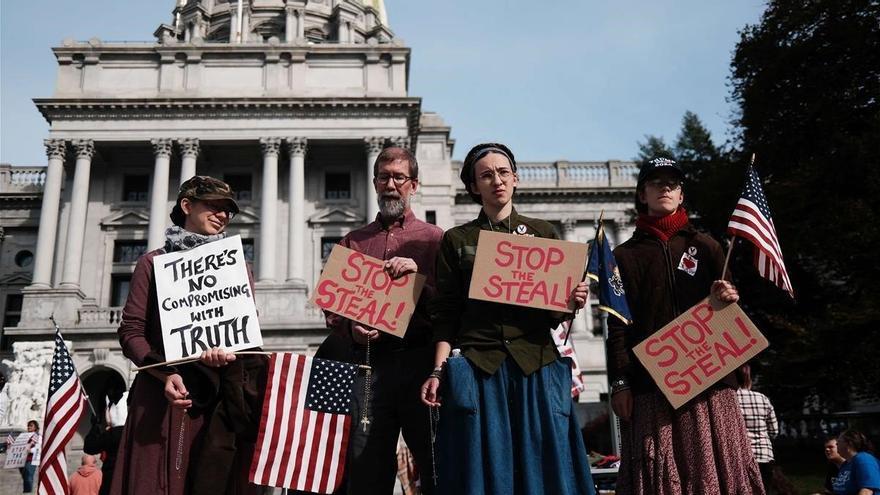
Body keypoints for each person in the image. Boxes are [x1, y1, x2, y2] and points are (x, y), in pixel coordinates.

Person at [421, 142, 594, 495]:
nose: (496, 180)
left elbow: (555, 316)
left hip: (536, 364)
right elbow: (446, 315)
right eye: (486, 175)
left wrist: (573, 300)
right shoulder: (457, 240)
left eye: (502, 172)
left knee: (546, 470)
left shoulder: (545, 234)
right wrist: (438, 371)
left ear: (515, 178)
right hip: (481, 366)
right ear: (473, 187)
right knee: (486, 472)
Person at [606, 157, 765, 494]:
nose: (665, 187)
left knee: (713, 470)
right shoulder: (621, 256)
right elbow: (617, 325)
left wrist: (729, 297)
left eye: (672, 183)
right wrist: (620, 382)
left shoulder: (708, 247)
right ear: (642, 194)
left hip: (709, 382)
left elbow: (727, 307)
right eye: (655, 182)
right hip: (651, 384)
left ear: (681, 195)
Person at [112, 176, 267, 495]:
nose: (223, 215)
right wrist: (164, 373)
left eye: (228, 211)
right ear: (187, 206)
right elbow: (130, 331)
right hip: (162, 397)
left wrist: (229, 354)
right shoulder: (152, 263)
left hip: (217, 400)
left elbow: (244, 335)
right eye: (214, 206)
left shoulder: (238, 269)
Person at [322, 146, 443, 494]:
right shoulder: (353, 242)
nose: (391, 184)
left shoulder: (434, 240)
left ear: (414, 185)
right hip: (369, 367)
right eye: (384, 177)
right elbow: (333, 309)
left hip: (421, 364)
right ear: (375, 182)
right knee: (366, 465)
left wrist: (420, 278)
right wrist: (352, 329)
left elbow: (451, 308)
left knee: (435, 461)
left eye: (399, 177)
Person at [737, 363, 779, 493]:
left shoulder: (729, 400)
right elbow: (774, 431)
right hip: (764, 455)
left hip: (739, 456)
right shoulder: (762, 398)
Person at [832, 429, 880, 495]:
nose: (836, 444)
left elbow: (866, 491)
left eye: (839, 442)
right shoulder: (845, 465)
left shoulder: (864, 460)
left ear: (849, 443)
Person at [19, 419, 41, 493]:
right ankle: (26, 491)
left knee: (28, 476)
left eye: (31, 426)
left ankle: (28, 492)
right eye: (28, 426)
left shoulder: (38, 436)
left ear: (35, 427)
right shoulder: (24, 436)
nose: (29, 427)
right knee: (25, 477)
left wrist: (30, 450)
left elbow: (39, 448)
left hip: (31, 459)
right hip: (22, 460)